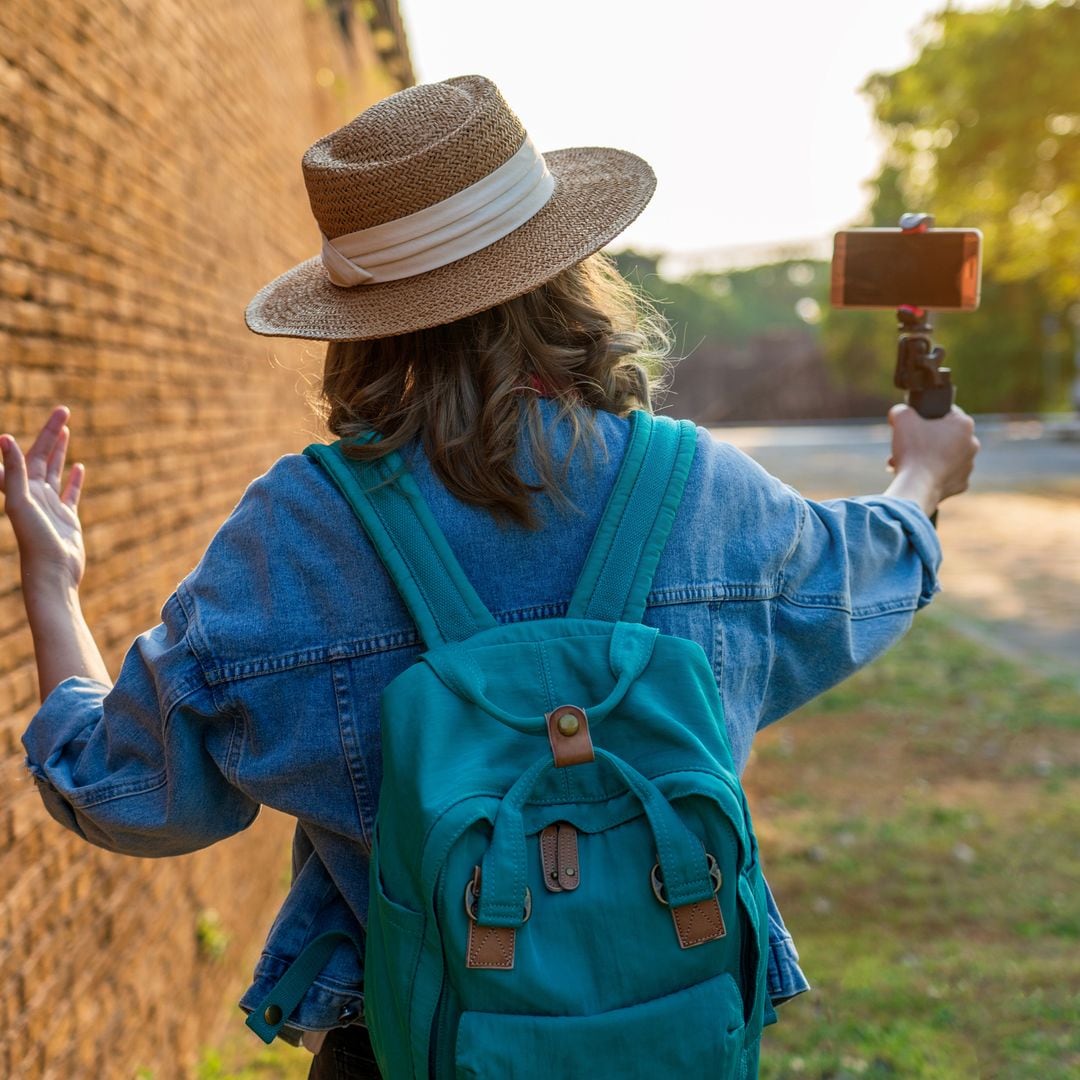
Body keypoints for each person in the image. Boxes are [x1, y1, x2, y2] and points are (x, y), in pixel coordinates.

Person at [1, 75, 979, 1079]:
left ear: (360, 320)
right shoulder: (699, 488)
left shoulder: (298, 532)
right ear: (563, 270)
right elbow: (860, 576)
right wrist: (922, 476)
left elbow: (118, 789)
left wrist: (51, 582)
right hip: (672, 1038)